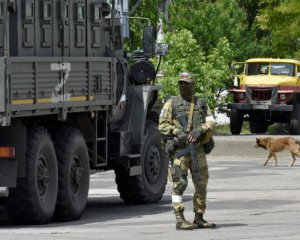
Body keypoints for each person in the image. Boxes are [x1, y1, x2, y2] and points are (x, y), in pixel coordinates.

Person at [159, 72, 216, 230]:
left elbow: (211, 121)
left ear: (193, 85)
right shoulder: (172, 103)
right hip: (180, 151)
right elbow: (162, 125)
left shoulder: (201, 103)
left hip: (197, 150)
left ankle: (199, 217)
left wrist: (200, 130)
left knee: (201, 183)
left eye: (186, 83)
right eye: (181, 83)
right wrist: (177, 132)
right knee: (180, 183)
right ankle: (179, 218)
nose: (183, 86)